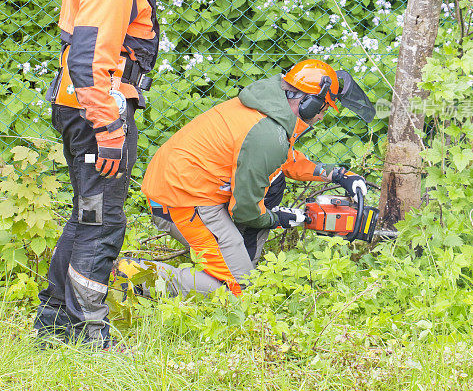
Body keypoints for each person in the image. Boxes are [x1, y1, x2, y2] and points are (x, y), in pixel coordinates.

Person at [34, 0, 206, 347]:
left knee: (86, 213)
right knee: (103, 220)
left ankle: (55, 322)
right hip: (98, 112)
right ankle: (90, 332)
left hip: (83, 107)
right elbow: (89, 59)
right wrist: (109, 127)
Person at [125, 59, 375, 298]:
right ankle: (132, 275)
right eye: (322, 109)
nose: (321, 117)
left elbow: (284, 160)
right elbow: (246, 210)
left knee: (274, 181)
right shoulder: (268, 132)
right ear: (309, 103)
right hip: (182, 200)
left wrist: (336, 174)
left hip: (192, 190)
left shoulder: (266, 109)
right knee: (238, 290)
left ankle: (230, 263)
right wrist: (277, 219)